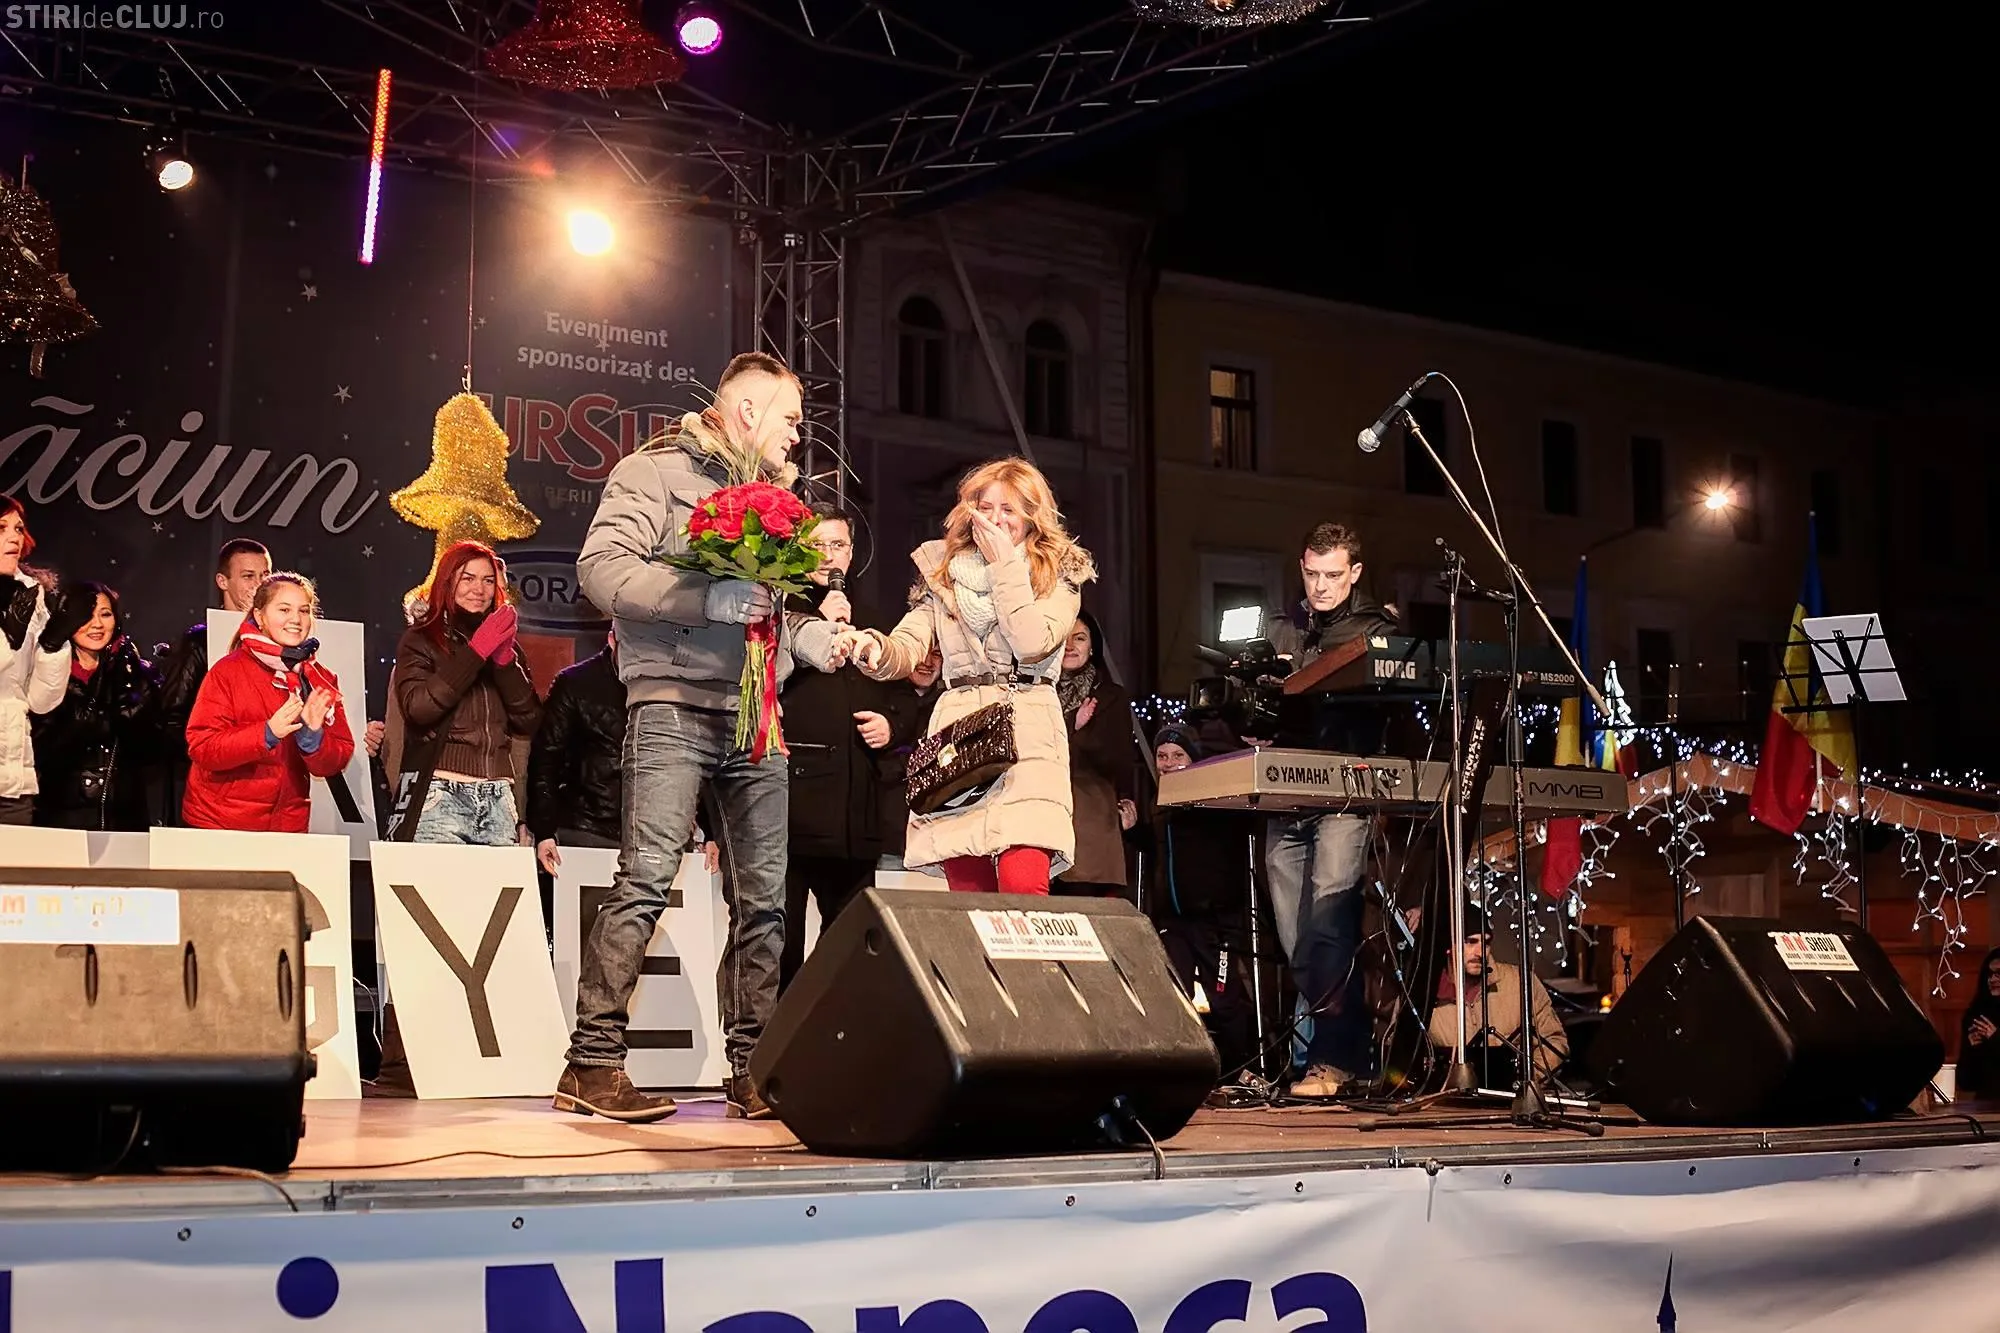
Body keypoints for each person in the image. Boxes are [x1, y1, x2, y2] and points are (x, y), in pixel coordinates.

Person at [559, 351, 848, 1124]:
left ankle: (754, 1069)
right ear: (748, 411)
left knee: (766, 904)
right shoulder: (652, 472)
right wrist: (708, 598)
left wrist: (809, 641)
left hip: (756, 714)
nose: (798, 434)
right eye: (790, 418)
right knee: (646, 879)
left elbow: (764, 614)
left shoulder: (778, 501)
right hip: (673, 704)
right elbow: (600, 570)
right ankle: (591, 1062)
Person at [848, 457, 1096, 895]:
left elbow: (1032, 641)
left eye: (1009, 509)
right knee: (969, 897)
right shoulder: (944, 573)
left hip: (1028, 729)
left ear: (1031, 516)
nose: (995, 519)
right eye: (985, 508)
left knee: (1024, 885)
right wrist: (872, 649)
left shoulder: (1059, 572)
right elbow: (907, 645)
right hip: (959, 732)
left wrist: (1005, 567)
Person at [1259, 522, 1399, 1099]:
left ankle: (1334, 1059)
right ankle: (1339, 1053)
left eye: (1333, 575)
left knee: (1330, 929)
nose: (1320, 586)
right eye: (1312, 574)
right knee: (1298, 941)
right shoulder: (1282, 627)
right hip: (1285, 794)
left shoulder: (1375, 631)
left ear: (1355, 572)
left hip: (1344, 796)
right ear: (1301, 567)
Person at [778, 505, 895, 991]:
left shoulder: (875, 618)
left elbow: (908, 694)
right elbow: (756, 685)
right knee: (778, 940)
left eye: (839, 545)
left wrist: (892, 723)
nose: (830, 556)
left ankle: (830, 1028)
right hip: (792, 807)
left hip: (856, 811)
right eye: (818, 545)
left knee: (848, 948)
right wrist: (815, 625)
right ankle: (768, 1034)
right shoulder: (776, 609)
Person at [389, 541, 542, 846]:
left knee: (496, 881)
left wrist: (504, 662)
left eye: (488, 581)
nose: (479, 589)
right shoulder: (421, 639)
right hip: (440, 792)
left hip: (499, 798)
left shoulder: (506, 646)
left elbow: (529, 721)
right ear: (448, 582)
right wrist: (475, 653)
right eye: (467, 578)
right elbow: (419, 709)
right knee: (438, 880)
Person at [182, 572, 356, 834]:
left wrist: (313, 739)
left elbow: (334, 761)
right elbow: (202, 747)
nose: (296, 619)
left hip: (287, 828)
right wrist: (266, 733)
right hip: (220, 824)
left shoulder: (321, 678)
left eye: (304, 610)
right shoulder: (228, 671)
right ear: (260, 616)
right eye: (284, 609)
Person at [1147, 721, 1260, 1078]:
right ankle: (1179, 1073)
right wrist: (1135, 830)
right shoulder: (1158, 802)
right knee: (1173, 998)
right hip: (1174, 920)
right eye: (1162, 756)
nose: (1168, 763)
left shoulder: (1214, 798)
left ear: (1194, 759)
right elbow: (1160, 854)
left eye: (1178, 755)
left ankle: (1242, 1070)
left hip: (1215, 921)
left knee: (1224, 1000)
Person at [30, 582, 161, 831]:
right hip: (62, 818)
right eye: (86, 615)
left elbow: (153, 749)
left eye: (105, 614)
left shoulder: (132, 671)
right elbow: (43, 748)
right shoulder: (45, 674)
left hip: (123, 819)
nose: (97, 624)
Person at [0, 496, 89, 826]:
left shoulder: (30, 594)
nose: (14, 537)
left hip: (15, 779)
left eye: (18, 528)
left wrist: (54, 645)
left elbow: (40, 701)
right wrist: (8, 640)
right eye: (2, 528)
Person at [1426, 907, 1568, 1088]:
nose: (1480, 952)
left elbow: (1554, 1041)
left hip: (1514, 1098)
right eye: (1470, 942)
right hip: (1450, 1101)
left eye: (1485, 943)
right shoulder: (1425, 993)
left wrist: (1525, 1082)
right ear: (1448, 946)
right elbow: (1402, 1056)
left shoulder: (1520, 982)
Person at [1055, 610, 1138, 898]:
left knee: (1083, 907)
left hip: (1089, 817)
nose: (1070, 646)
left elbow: (1116, 756)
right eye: (1063, 638)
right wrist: (1073, 724)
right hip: (1042, 816)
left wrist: (1071, 734)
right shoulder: (1036, 693)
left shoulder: (1110, 696)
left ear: (1093, 647)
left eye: (1079, 638)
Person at [527, 631, 625, 870]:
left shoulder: (664, 685)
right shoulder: (575, 682)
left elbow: (691, 754)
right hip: (586, 829)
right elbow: (545, 759)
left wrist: (708, 830)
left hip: (653, 833)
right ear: (612, 640)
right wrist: (544, 830)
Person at [875, 645, 943, 871]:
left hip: (936, 844)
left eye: (936, 654)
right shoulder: (876, 699)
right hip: (886, 843)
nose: (927, 662)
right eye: (920, 651)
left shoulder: (950, 706)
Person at [1958, 947, 2000, 1101]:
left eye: (1999, 973)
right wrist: (1972, 1050)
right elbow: (1966, 1082)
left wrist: (1996, 1038)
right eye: (1989, 974)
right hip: (1986, 1106)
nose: (1992, 979)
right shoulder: (1976, 1016)